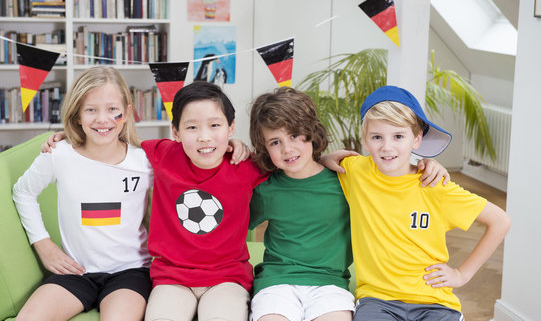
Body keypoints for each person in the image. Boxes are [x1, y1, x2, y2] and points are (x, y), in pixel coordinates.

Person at [247, 87, 451, 321]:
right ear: (264, 147)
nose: (287, 149)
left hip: (330, 286)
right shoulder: (266, 189)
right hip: (276, 283)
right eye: (275, 142)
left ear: (312, 132)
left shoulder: (347, 179)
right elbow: (232, 224)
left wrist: (427, 165)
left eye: (294, 136)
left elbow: (396, 181)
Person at [336, 85, 511, 321]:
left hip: (435, 302)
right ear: (365, 141)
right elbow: (320, 162)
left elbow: (500, 221)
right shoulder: (356, 171)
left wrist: (462, 274)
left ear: (416, 139)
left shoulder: (435, 184)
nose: (387, 147)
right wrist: (328, 156)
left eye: (398, 136)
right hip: (378, 301)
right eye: (377, 137)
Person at [13, 66, 153, 321]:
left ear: (128, 112)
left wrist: (232, 144)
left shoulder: (144, 162)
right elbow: (23, 192)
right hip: (75, 272)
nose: (102, 119)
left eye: (112, 109)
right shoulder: (59, 154)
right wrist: (43, 244)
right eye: (91, 110)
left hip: (130, 272)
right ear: (77, 115)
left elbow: (193, 159)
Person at [141, 81, 269, 321]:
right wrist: (71, 139)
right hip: (172, 278)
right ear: (176, 132)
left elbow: (293, 164)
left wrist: (326, 159)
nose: (204, 137)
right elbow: (114, 148)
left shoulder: (245, 165)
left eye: (215, 125)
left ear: (231, 127)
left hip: (228, 278)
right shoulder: (164, 154)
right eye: (192, 127)